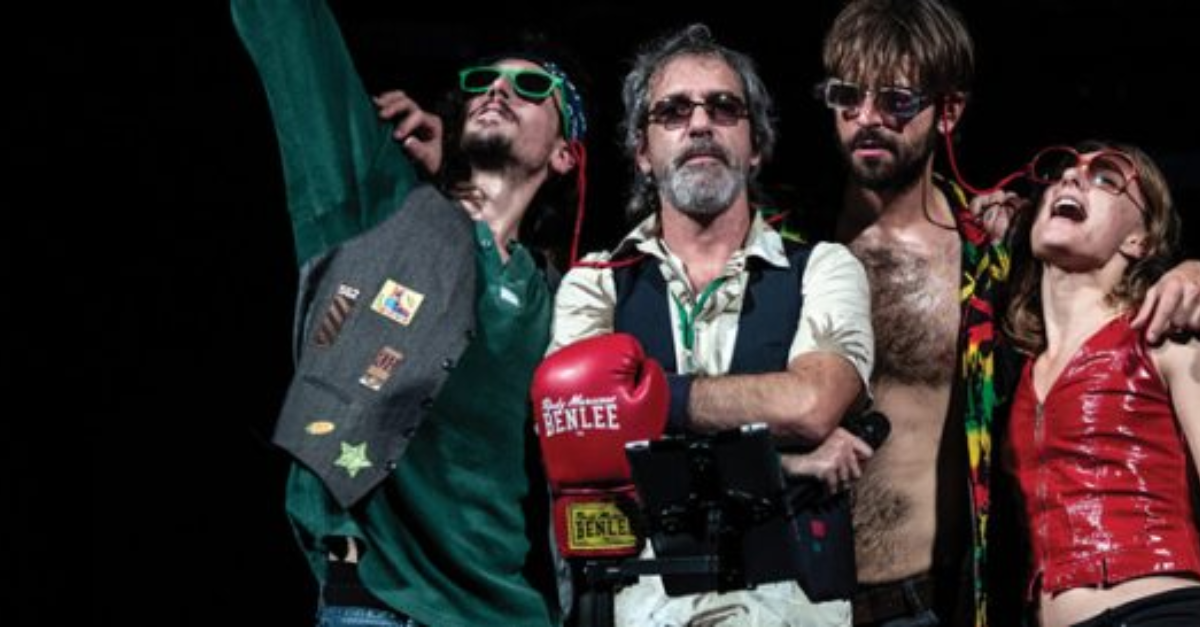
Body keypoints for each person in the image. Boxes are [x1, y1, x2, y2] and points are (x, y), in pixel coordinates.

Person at [813, 1, 1200, 625]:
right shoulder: (780, 248)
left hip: (933, 604)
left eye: (897, 100)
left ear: (948, 112)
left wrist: (1190, 271)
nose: (868, 118)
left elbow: (1118, 275)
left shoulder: (991, 261)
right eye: (847, 96)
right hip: (786, 599)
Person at [232, 0, 588, 624]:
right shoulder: (378, 209)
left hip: (506, 611)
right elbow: (292, 37)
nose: (497, 91)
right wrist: (443, 182)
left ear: (565, 153)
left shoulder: (560, 299)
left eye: (531, 87)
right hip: (381, 602)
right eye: (483, 81)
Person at [546, 23, 876, 626]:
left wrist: (643, 397)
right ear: (643, 152)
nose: (700, 124)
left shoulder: (824, 268)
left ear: (755, 146)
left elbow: (810, 405)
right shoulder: (594, 281)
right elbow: (586, 449)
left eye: (724, 107)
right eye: (673, 111)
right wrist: (786, 464)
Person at [1004, 140, 1200, 626]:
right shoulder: (1016, 371)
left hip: (1159, 613)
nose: (1070, 178)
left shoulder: (1163, 337)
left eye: (1106, 178)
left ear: (1140, 241)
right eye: (1062, 172)